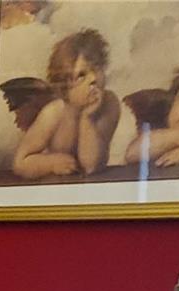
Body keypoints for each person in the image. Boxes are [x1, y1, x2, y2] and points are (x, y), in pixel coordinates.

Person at [10, 29, 119, 179]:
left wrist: (87, 118)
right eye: (81, 75)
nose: (93, 78)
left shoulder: (109, 104)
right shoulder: (53, 113)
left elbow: (91, 166)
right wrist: (50, 163)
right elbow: (20, 163)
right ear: (65, 85)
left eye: (97, 69)